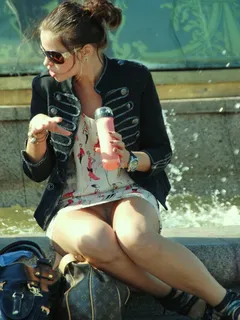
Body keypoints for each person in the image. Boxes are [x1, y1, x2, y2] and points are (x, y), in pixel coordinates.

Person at [22, 1, 240, 319]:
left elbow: (161, 151)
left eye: (55, 55)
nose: (47, 63)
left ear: (84, 51)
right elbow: (37, 173)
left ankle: (226, 302)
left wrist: (129, 159)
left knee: (136, 238)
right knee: (93, 239)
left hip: (128, 190)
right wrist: (35, 138)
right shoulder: (45, 87)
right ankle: (174, 297)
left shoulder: (134, 77)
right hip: (70, 201)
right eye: (44, 53)